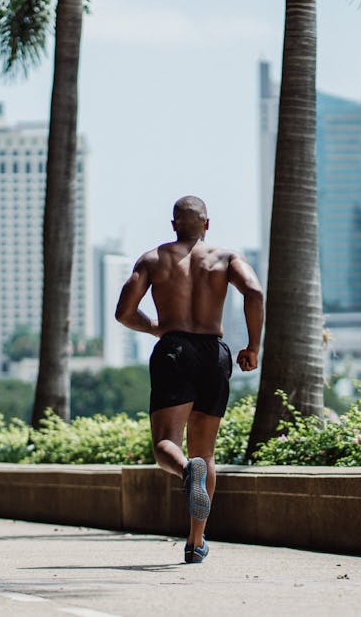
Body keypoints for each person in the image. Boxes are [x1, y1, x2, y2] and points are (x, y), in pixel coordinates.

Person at [115, 195, 264, 564]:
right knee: (205, 452)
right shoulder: (226, 258)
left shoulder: (154, 259)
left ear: (173, 225)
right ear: (206, 224)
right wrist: (253, 346)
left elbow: (124, 312)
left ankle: (185, 469)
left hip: (175, 351)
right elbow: (254, 291)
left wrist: (155, 328)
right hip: (215, 353)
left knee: (166, 443)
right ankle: (196, 542)